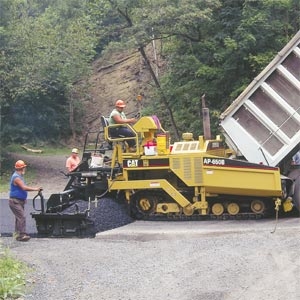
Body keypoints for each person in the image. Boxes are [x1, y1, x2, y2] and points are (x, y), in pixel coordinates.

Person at [9, 160, 42, 242]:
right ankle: (21, 235)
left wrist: (23, 198)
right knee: (21, 217)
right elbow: (23, 187)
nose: (25, 169)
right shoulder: (16, 177)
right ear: (22, 168)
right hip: (15, 201)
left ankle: (17, 234)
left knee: (18, 218)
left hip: (19, 200)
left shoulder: (20, 176)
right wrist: (36, 189)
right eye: (24, 167)